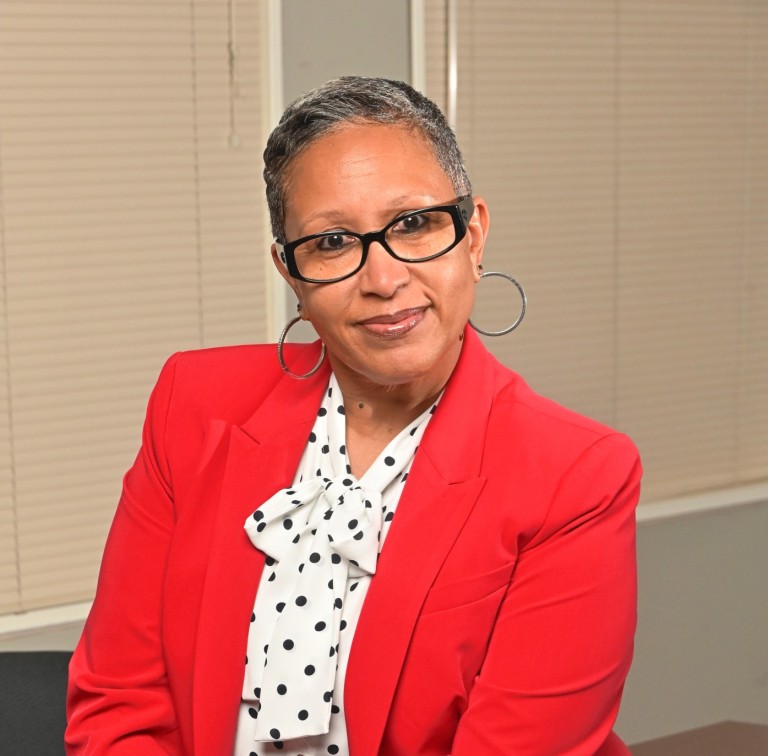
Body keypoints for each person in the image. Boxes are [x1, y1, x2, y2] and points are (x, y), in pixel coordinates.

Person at [66, 76, 641, 755]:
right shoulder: (193, 404)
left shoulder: (575, 475)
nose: (384, 280)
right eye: (333, 242)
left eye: (414, 224)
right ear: (291, 273)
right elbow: (119, 709)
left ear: (474, 235)